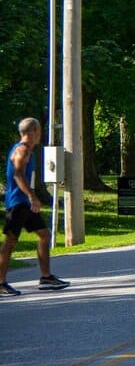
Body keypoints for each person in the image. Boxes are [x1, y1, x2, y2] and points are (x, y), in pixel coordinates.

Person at [1, 118, 70, 296]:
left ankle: (46, 278)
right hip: (18, 203)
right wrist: (32, 197)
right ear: (32, 132)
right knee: (10, 242)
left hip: (24, 203)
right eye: (39, 131)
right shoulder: (22, 150)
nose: (40, 135)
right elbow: (18, 174)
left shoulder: (26, 150)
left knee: (44, 235)